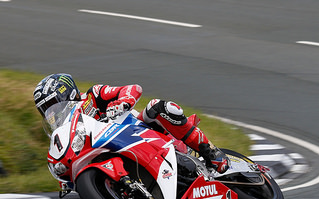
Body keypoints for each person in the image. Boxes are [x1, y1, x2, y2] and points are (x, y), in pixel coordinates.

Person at [33, 73, 229, 173]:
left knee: (160, 107)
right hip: (106, 150)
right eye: (46, 109)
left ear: (67, 93)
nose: (52, 112)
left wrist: (122, 102)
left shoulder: (93, 94)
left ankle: (212, 153)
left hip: (139, 130)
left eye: (53, 103)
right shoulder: (66, 131)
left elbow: (133, 88)